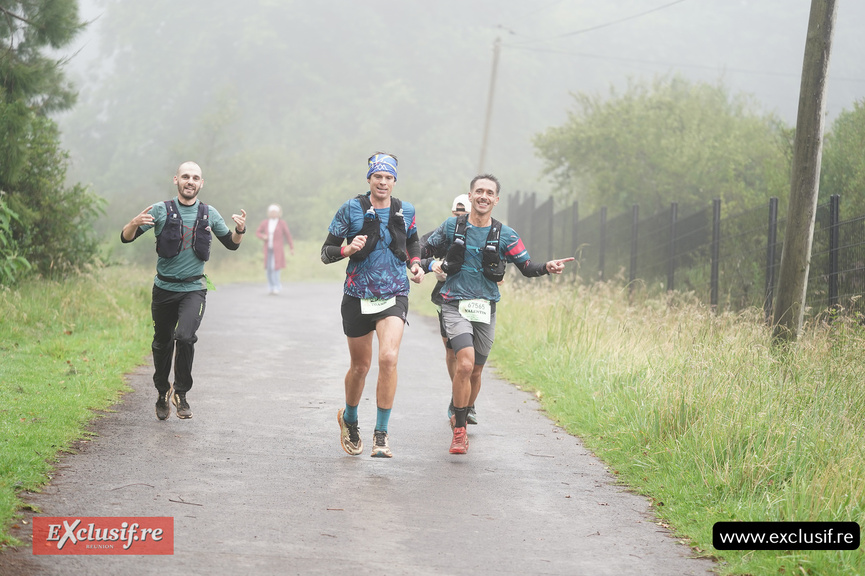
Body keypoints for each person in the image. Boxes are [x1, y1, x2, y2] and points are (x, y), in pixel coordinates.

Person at [423, 174, 574, 454]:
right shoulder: (452, 226)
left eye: (489, 193)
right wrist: (425, 264)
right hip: (454, 303)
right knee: (465, 364)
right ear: (469, 196)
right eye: (478, 191)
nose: (483, 196)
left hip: (485, 307)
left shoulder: (506, 234)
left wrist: (547, 267)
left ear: (496, 199)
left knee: (477, 371)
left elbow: (527, 266)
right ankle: (459, 431)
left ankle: (463, 410)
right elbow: (424, 248)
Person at [121, 161, 247, 420]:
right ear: (176, 180)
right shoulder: (160, 210)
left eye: (196, 178)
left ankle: (181, 393)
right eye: (186, 177)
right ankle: (161, 391)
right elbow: (126, 237)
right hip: (164, 288)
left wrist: (240, 230)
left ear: (202, 183)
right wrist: (133, 222)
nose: (191, 181)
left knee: (185, 337)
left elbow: (232, 244)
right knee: (162, 343)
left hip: (194, 288)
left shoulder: (209, 213)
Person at [321, 152, 425, 458]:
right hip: (357, 295)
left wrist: (416, 264)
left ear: (394, 181)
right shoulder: (351, 209)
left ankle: (381, 434)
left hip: (394, 293)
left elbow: (414, 242)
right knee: (360, 366)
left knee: (389, 358)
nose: (382, 182)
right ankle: (350, 418)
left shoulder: (406, 210)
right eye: (377, 176)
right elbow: (326, 252)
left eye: (388, 177)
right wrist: (347, 248)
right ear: (369, 179)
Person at [420, 194, 478, 425]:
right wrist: (428, 266)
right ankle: (458, 398)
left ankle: (466, 403)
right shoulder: (445, 230)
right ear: (452, 212)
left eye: (466, 211)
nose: (461, 216)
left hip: (477, 299)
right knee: (452, 350)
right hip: (447, 296)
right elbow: (417, 251)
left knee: (474, 359)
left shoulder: (487, 230)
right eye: (458, 212)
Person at [255, 204, 294, 294]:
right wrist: (263, 236)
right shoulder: (265, 223)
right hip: (268, 249)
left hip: (278, 250)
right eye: (271, 212)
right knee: (268, 268)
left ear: (278, 213)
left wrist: (291, 247)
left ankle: (277, 286)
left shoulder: (282, 223)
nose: (273, 214)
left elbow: (288, 236)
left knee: (276, 267)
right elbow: (258, 232)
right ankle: (271, 286)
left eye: (275, 212)